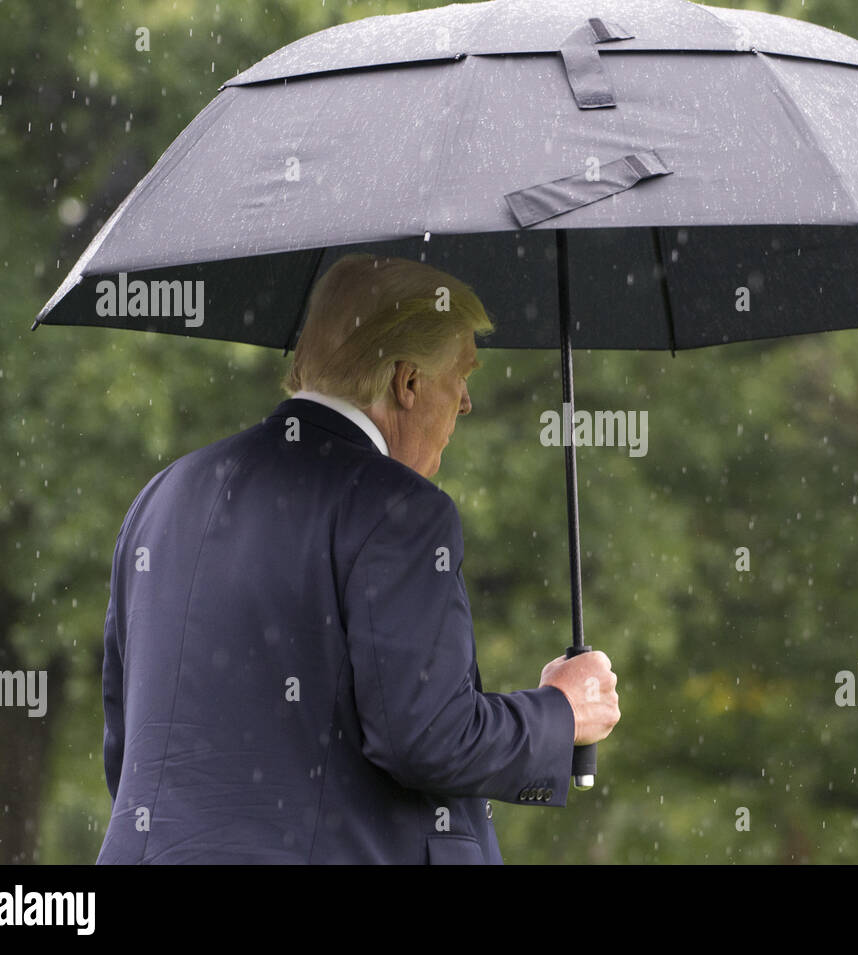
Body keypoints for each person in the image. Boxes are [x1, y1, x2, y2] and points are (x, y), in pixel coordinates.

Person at [97, 253, 620, 864]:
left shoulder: (161, 499)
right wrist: (561, 713)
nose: (466, 403)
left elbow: (129, 749)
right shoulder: (400, 509)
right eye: (462, 374)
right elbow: (427, 738)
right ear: (409, 382)